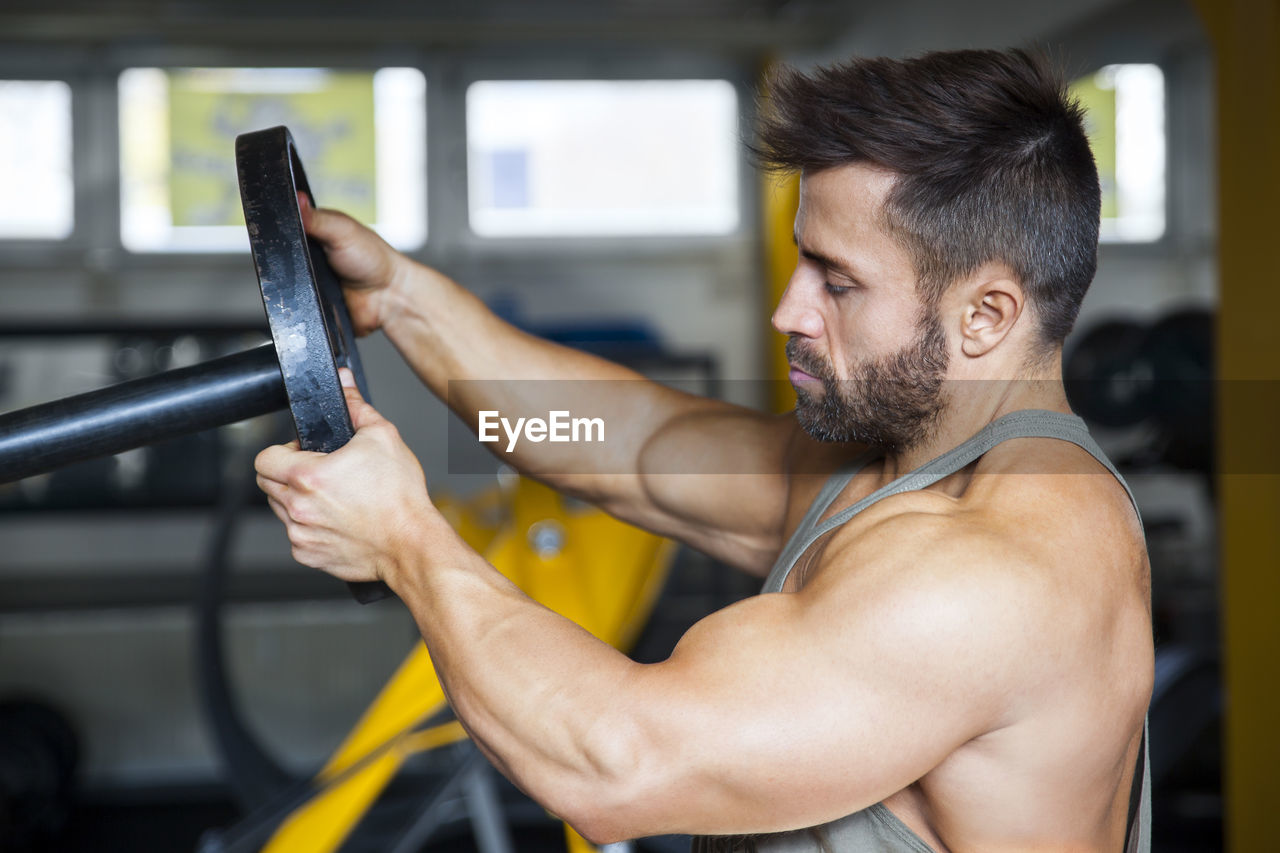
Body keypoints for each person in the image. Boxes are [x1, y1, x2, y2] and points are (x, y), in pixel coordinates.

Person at [255, 48, 1153, 852]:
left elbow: (616, 767)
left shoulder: (992, 575)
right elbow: (624, 447)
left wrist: (406, 539)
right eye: (804, 262)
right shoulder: (895, 461)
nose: (789, 312)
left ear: (986, 315)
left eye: (838, 283)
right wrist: (406, 299)